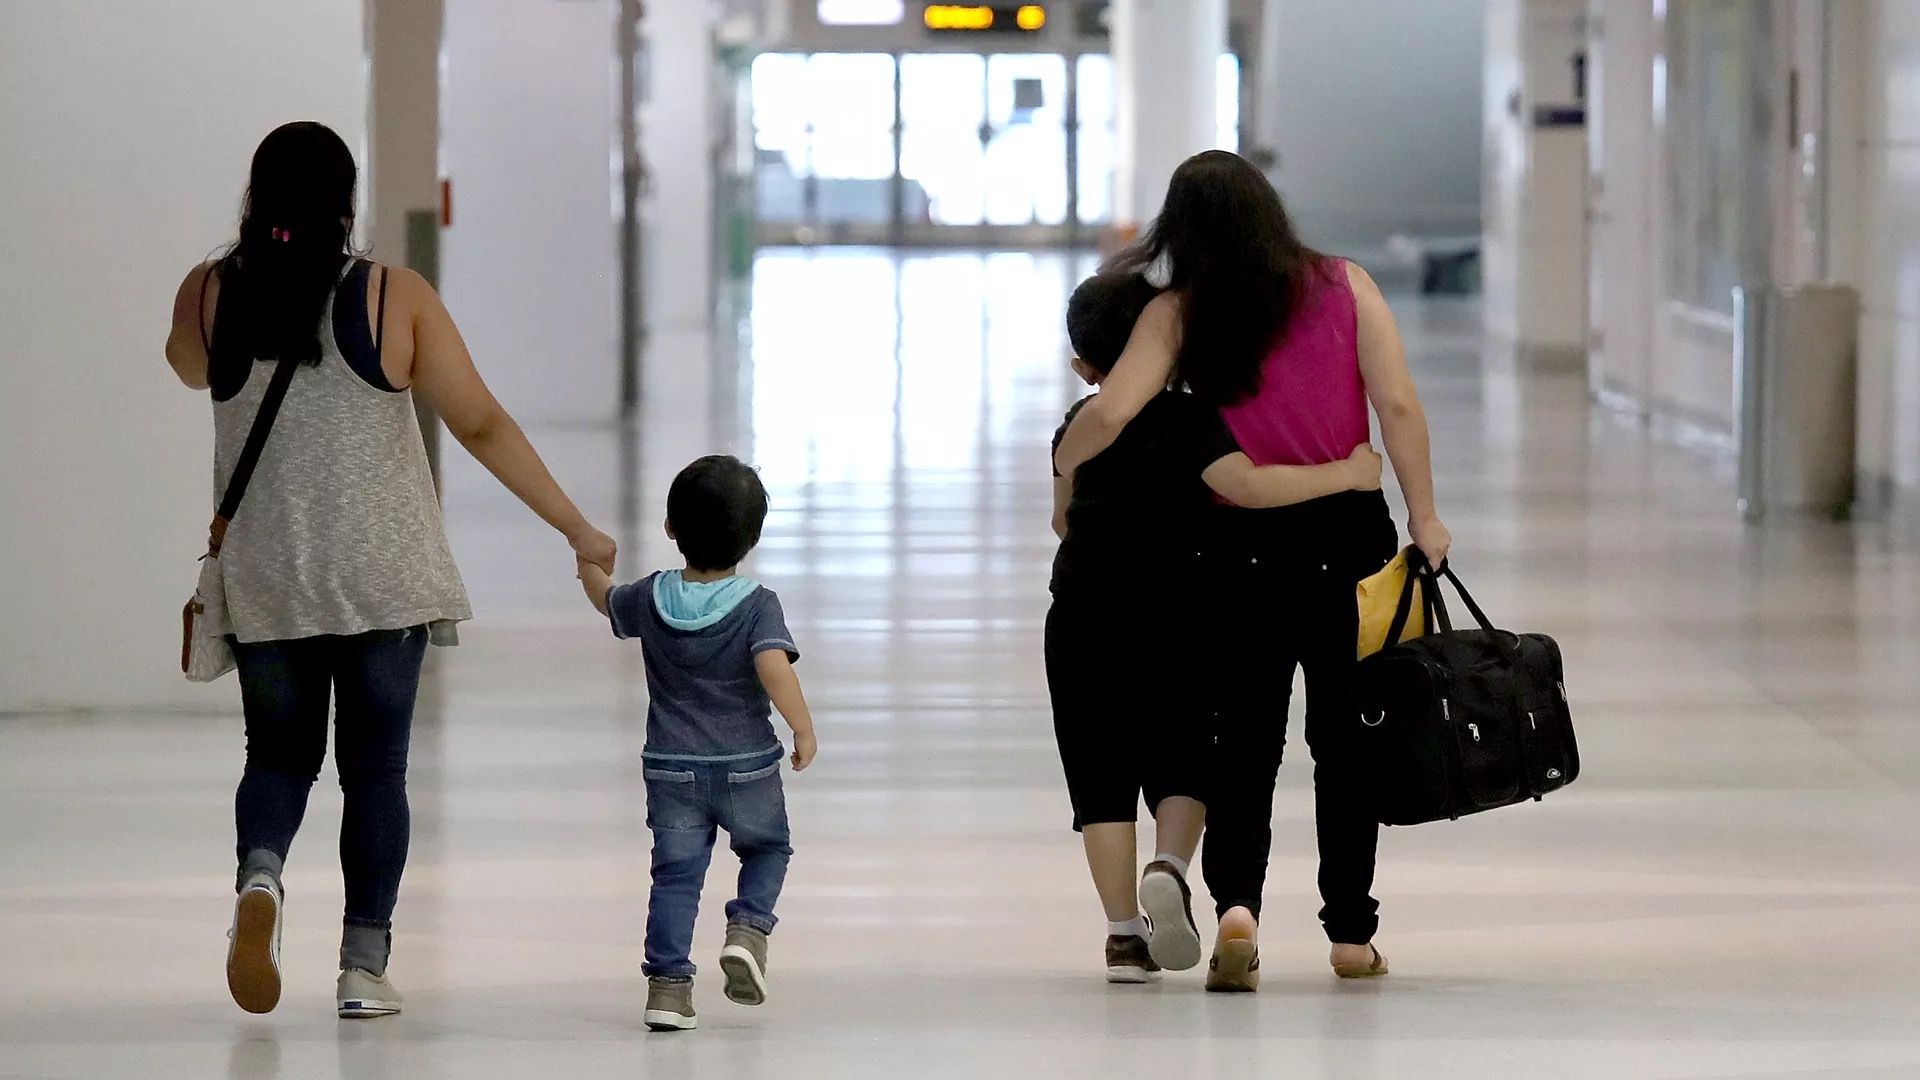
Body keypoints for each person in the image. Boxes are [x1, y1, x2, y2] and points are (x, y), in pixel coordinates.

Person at [164, 122, 618, 1019]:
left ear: (255, 198)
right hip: (383, 580)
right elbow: (479, 424)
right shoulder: (390, 297)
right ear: (346, 201)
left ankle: (261, 881)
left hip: (271, 574)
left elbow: (186, 368)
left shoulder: (210, 292)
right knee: (376, 772)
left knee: (279, 756)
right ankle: (362, 967)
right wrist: (576, 528)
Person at [1053, 150, 1452, 992]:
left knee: (1243, 741)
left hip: (1240, 540)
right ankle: (1350, 933)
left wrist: (1066, 473)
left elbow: (1113, 410)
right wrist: (1424, 515)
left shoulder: (1178, 310)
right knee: (1349, 741)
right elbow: (1400, 404)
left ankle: (1238, 909)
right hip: (1352, 537)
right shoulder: (1345, 285)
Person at [1046, 271, 1384, 983]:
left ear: (1084, 367)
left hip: (1082, 614)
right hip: (1182, 612)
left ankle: (1122, 940)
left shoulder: (1076, 427)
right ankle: (1169, 864)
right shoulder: (1195, 420)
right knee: (1185, 759)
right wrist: (1348, 474)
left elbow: (1060, 520)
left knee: (1100, 780)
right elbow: (1251, 487)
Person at [576, 454, 817, 1033]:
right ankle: (748, 931)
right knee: (766, 850)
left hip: (670, 769)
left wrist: (587, 560)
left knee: (677, 876)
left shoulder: (652, 597)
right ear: (752, 537)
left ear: (670, 528)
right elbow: (772, 665)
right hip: (747, 766)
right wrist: (802, 726)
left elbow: (606, 600)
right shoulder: (758, 605)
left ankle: (668, 990)